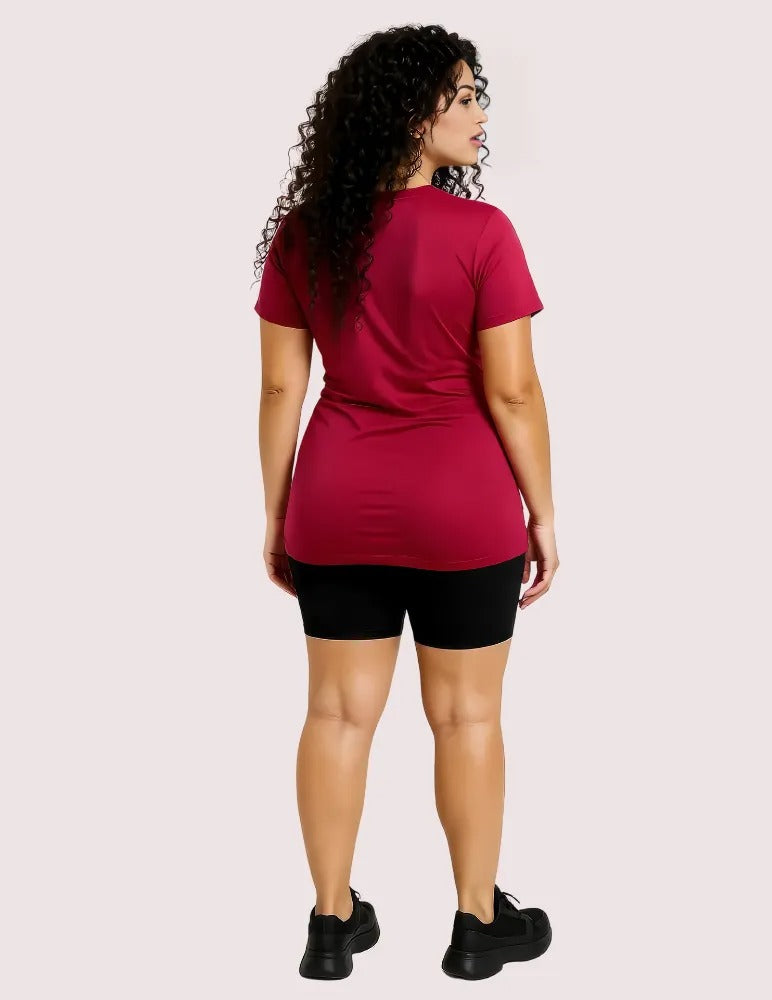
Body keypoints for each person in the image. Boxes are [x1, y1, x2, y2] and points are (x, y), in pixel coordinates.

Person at [252, 24, 558, 981]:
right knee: (467, 719)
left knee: (337, 716)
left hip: (337, 503)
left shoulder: (307, 234)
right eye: (462, 96)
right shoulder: (482, 233)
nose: (479, 113)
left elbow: (280, 387)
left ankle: (331, 923)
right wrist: (544, 513)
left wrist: (279, 513)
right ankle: (476, 924)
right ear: (410, 114)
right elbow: (513, 392)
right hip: (462, 510)